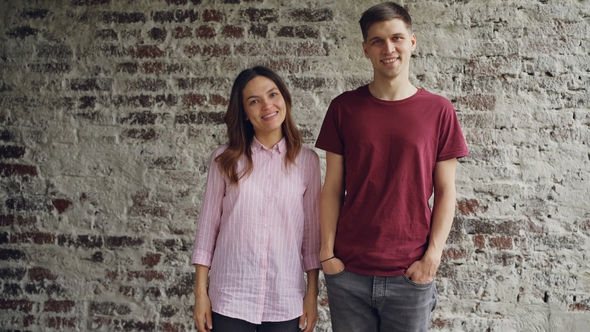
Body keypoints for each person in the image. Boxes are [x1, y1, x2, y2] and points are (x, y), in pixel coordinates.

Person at [315, 2, 469, 332]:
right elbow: (332, 188)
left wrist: (433, 258)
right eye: (378, 41)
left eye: (397, 38)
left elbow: (446, 192)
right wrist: (327, 253)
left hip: (409, 273)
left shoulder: (439, 111)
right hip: (349, 273)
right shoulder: (343, 108)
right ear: (366, 49)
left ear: (412, 41)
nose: (389, 49)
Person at [191, 66, 321, 332]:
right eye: (254, 101)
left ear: (284, 99)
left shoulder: (307, 161)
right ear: (246, 114)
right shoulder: (224, 159)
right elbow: (207, 229)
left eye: (273, 95)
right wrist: (201, 294)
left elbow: (312, 236)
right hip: (230, 297)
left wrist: (312, 294)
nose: (267, 106)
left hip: (285, 298)